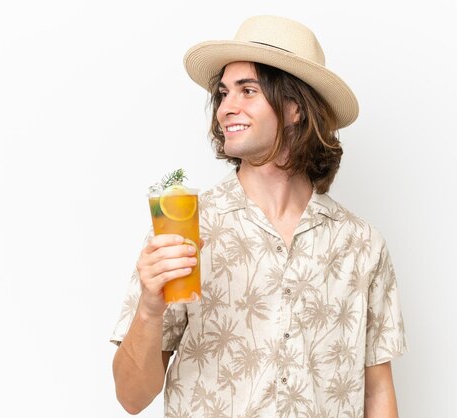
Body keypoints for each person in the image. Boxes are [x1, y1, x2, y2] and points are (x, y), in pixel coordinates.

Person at [111, 15, 407, 418]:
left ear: (295, 108)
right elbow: (132, 397)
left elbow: (377, 394)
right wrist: (148, 308)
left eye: (247, 91)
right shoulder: (186, 229)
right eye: (222, 93)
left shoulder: (361, 244)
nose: (225, 109)